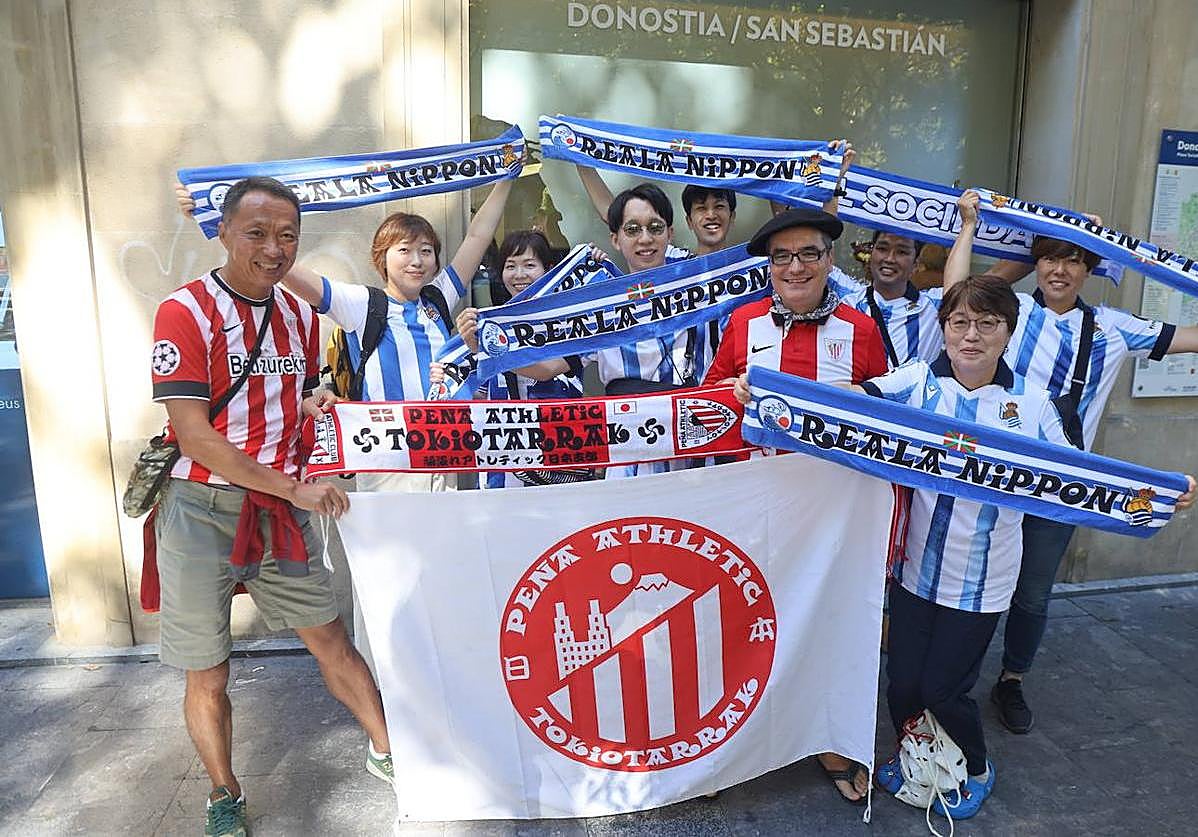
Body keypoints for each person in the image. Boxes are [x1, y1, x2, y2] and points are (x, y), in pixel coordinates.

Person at [861, 275, 1196, 818]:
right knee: (902, 683)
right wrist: (766, 391)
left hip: (983, 578)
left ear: (1008, 333)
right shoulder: (919, 379)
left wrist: (1156, 492)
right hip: (914, 567)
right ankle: (916, 749)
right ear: (944, 329)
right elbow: (847, 401)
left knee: (945, 688)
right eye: (959, 322)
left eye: (987, 323)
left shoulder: (1036, 404)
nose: (971, 335)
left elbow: (1080, 476)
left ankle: (974, 765)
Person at [152, 177, 391, 837]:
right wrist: (295, 487)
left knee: (329, 636)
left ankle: (390, 751)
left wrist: (314, 407)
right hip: (201, 506)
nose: (274, 248)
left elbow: (294, 395)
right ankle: (224, 791)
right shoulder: (185, 311)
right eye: (256, 232)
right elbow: (195, 432)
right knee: (208, 668)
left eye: (287, 234)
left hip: (278, 510)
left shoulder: (293, 312)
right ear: (223, 231)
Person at [946, 190, 1198, 734]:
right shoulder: (1007, 315)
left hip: (1060, 487)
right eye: (1051, 256)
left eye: (1074, 258)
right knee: (969, 580)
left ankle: (1012, 679)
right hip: (989, 475)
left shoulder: (1112, 327)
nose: (1060, 269)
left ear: (1089, 268)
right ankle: (952, 680)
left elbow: (1191, 339)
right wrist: (968, 226)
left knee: (1033, 592)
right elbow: (955, 295)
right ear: (1036, 262)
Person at [715, 207, 888, 805]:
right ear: (768, 266)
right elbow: (708, 405)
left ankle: (827, 737)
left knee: (825, 619)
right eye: (782, 257)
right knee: (748, 615)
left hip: (832, 510)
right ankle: (731, 743)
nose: (795, 267)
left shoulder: (861, 330)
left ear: (829, 260)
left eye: (808, 254)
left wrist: (862, 396)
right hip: (758, 503)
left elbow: (886, 419)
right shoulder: (742, 323)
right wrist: (729, 393)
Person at [435, 229, 592, 488]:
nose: (519, 275)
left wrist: (484, 351)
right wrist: (447, 378)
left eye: (530, 265)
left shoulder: (569, 322)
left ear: (549, 270)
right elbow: (477, 396)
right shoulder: (488, 324)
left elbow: (546, 370)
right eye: (511, 266)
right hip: (501, 462)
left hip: (559, 453)